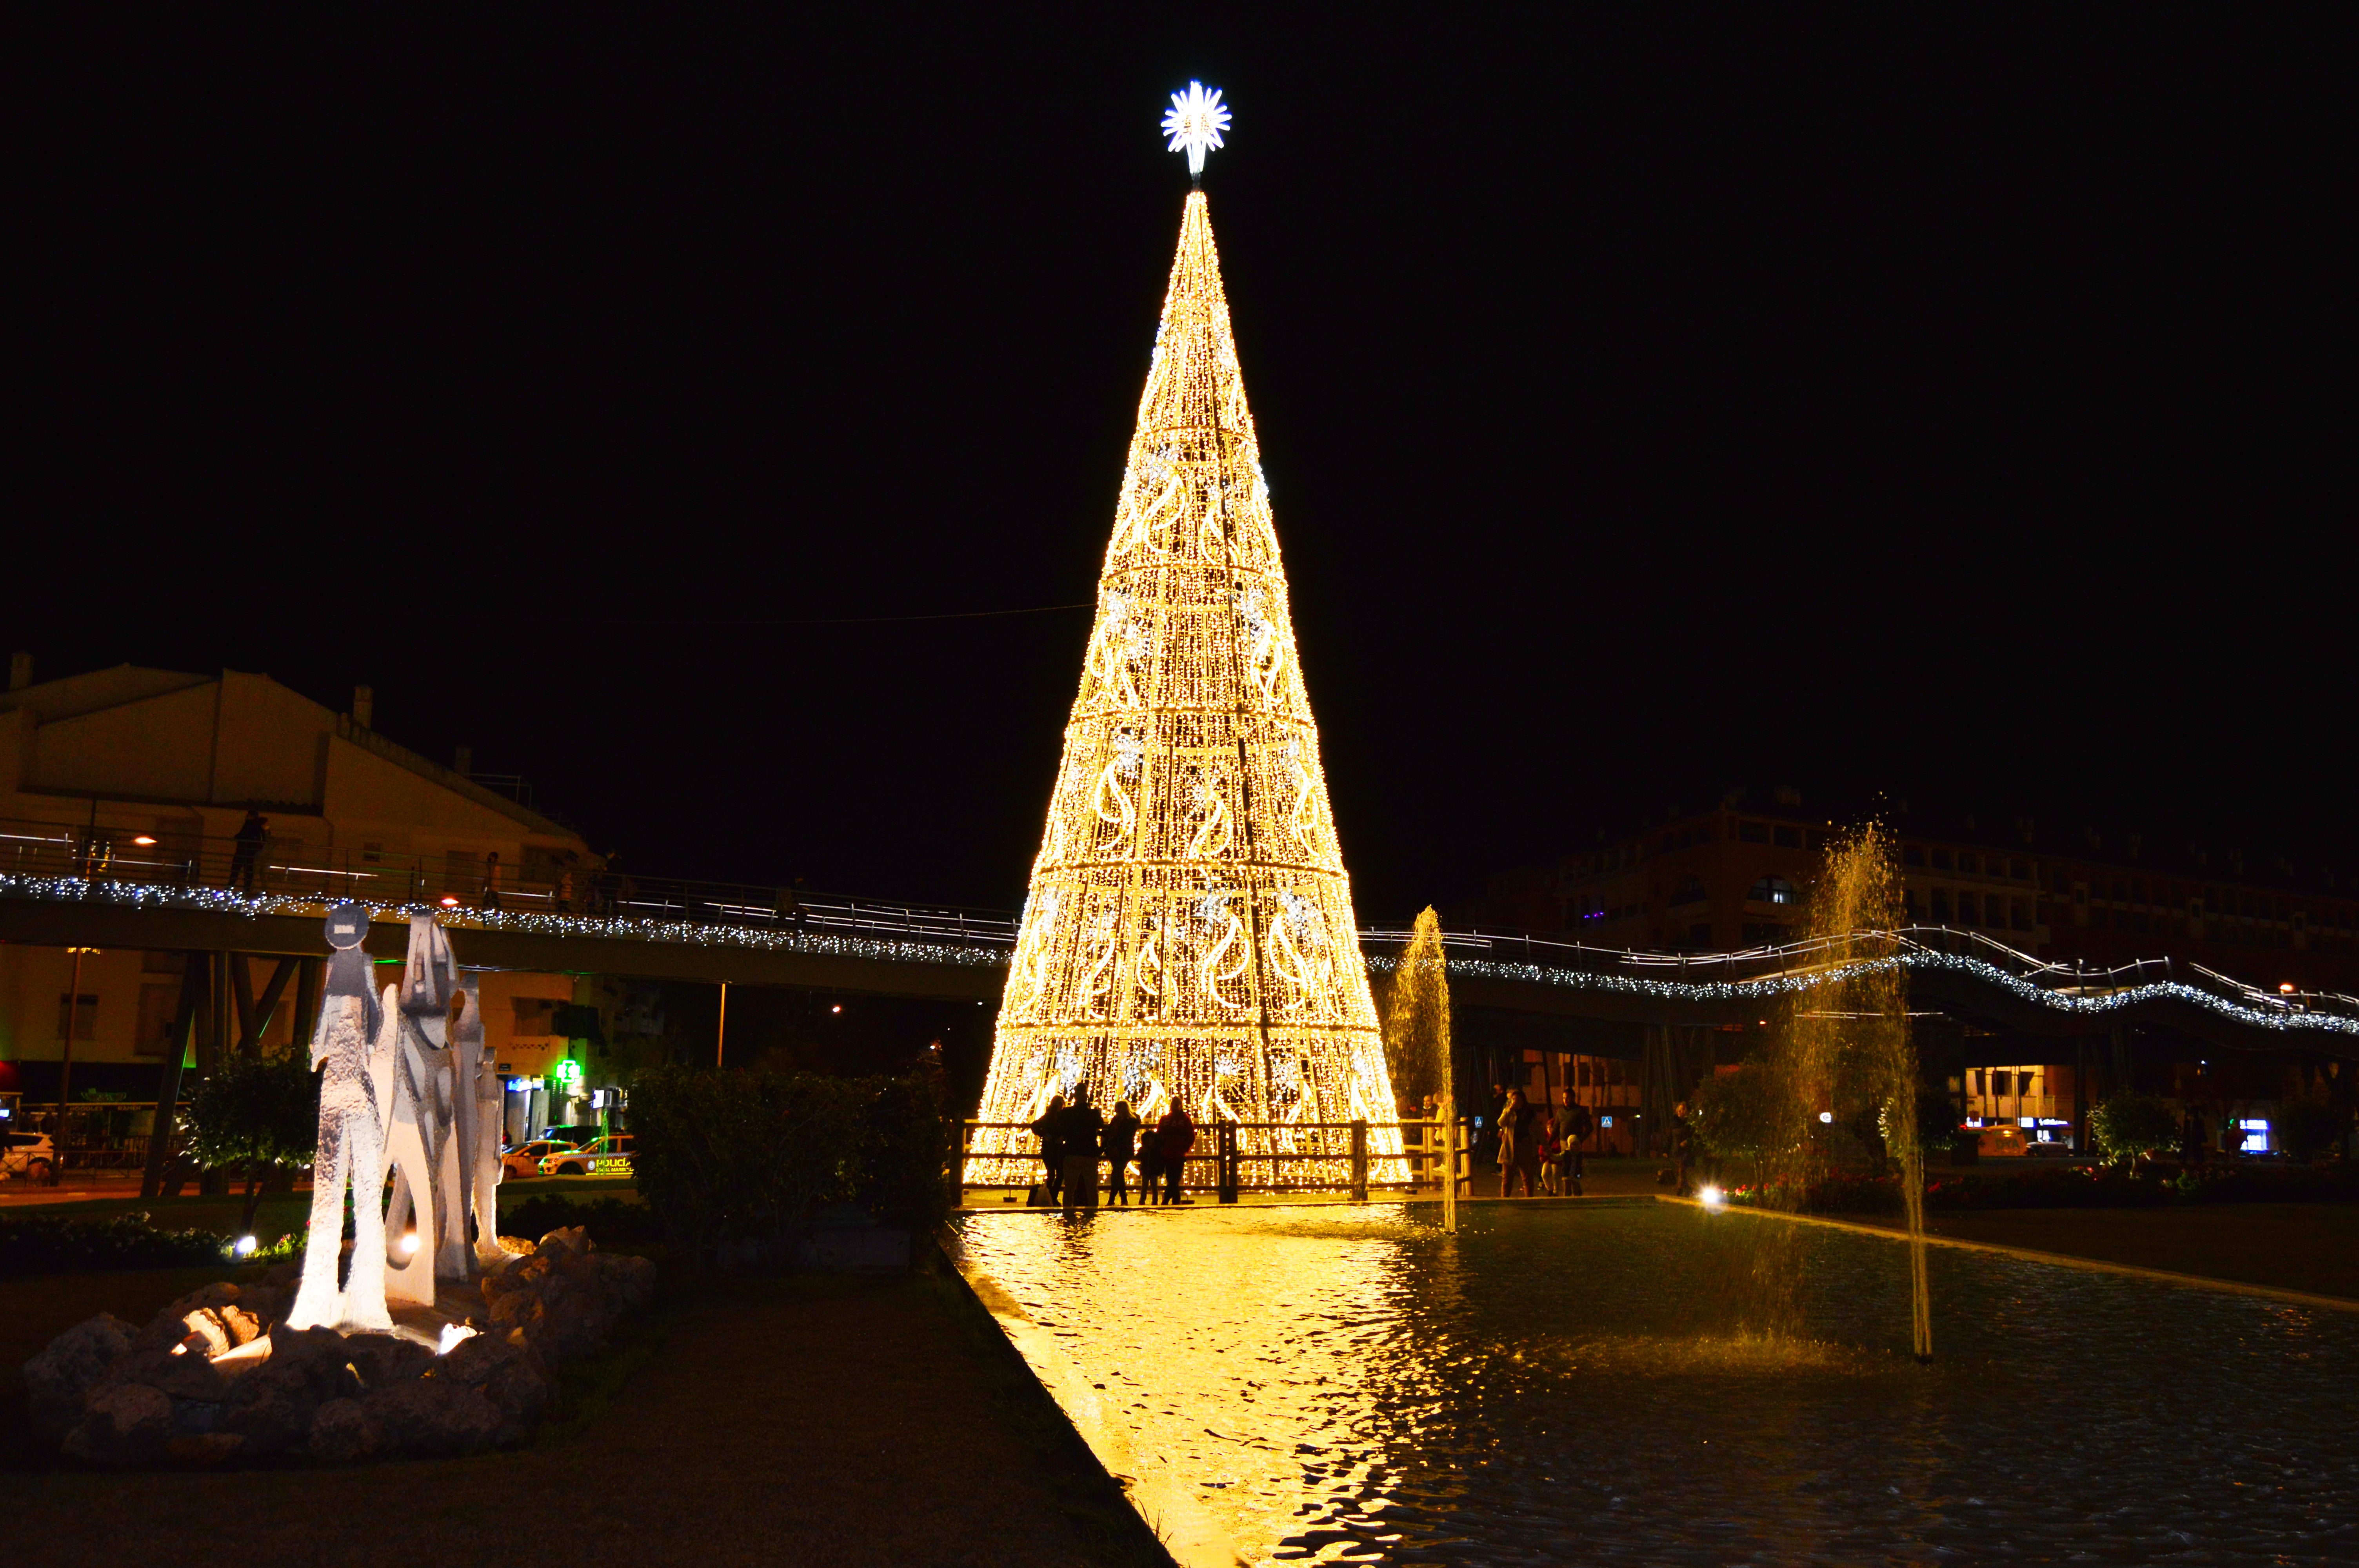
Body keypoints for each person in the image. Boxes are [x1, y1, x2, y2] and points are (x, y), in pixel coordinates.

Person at [1061, 1089, 1104, 1208]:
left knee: (1069, 1188)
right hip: (1089, 1153)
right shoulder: (1093, 1113)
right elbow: (1101, 1125)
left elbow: (1061, 1126)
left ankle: (1068, 1212)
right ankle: (1092, 1212)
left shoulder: (1068, 1113)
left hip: (1072, 1151)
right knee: (1092, 1188)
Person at [1498, 1086, 1538, 1197]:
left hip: (1525, 1145)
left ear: (1522, 1100)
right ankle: (1505, 1199)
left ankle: (1529, 1199)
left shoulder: (1529, 1112)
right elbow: (1501, 1122)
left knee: (1527, 1177)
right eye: (1513, 1099)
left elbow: (1536, 1130)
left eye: (1517, 1099)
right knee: (1507, 1178)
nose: (1514, 1102)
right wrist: (1510, 1109)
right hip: (1510, 1146)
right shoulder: (1508, 1111)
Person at [1103, 1100, 1141, 1206]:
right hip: (1125, 1150)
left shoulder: (1121, 1121)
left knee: (1117, 1174)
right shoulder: (1131, 1120)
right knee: (1119, 1174)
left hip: (1118, 1150)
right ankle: (1122, 1199)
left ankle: (1113, 1199)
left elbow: (1115, 1134)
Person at [1030, 1094, 1067, 1202]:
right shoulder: (1053, 1116)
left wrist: (1045, 1135)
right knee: (1056, 1174)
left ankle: (1051, 1197)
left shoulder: (1050, 1116)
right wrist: (1046, 1135)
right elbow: (1035, 1126)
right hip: (1054, 1148)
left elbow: (1035, 1126)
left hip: (1052, 1148)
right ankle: (1052, 1197)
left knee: (1055, 1174)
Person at [1156, 1102, 1196, 1205]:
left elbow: (1191, 1135)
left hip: (1174, 1152)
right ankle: (1174, 1200)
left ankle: (1168, 1200)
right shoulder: (1183, 1119)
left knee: (1173, 1178)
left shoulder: (1168, 1119)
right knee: (1173, 1178)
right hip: (1172, 1152)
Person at [1558, 1099, 1592, 1196]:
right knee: (1567, 1188)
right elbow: (1558, 1157)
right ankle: (1567, 1198)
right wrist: (1550, 1155)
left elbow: (1584, 1164)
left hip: (1576, 1173)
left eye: (1577, 1144)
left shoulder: (1580, 1155)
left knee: (1576, 1185)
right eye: (1573, 1144)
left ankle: (1578, 1194)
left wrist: (1586, 1172)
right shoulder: (1566, 1153)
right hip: (1567, 1175)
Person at [229, 809, 267, 892]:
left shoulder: (248, 824)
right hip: (251, 852)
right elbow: (263, 840)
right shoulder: (259, 826)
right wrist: (257, 848)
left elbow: (242, 835)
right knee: (248, 871)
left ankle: (230, 887)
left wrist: (237, 837)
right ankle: (247, 888)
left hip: (242, 850)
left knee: (236, 869)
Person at [1670, 1100, 1696, 1195]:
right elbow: (1670, 1136)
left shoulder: (1689, 1123)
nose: (1681, 1113)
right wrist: (1666, 1150)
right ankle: (1688, 1188)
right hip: (1677, 1150)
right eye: (1680, 1111)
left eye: (1683, 1110)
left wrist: (1687, 1142)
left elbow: (1694, 1136)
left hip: (1687, 1150)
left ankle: (1680, 1189)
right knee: (1681, 1171)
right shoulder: (1674, 1123)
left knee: (1682, 1169)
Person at [1137, 1120, 1166, 1203]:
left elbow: (1139, 1158)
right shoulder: (1156, 1150)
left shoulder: (1153, 1151)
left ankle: (1147, 1201)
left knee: (1150, 1187)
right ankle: (1151, 1201)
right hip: (1150, 1171)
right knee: (1149, 1187)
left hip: (1150, 1171)